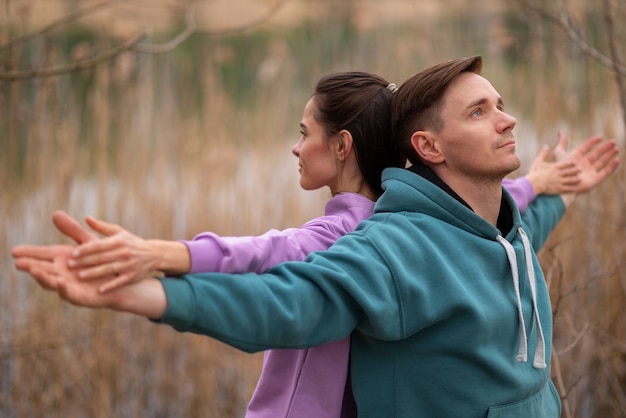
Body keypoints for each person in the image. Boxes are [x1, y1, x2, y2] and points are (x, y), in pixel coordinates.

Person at [13, 57, 620, 417]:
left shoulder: (486, 229)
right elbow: (286, 287)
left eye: (499, 104)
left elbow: (506, 233)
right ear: (428, 147)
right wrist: (155, 285)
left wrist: (554, 190)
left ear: (343, 145)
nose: (508, 119)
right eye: (479, 112)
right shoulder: (386, 248)